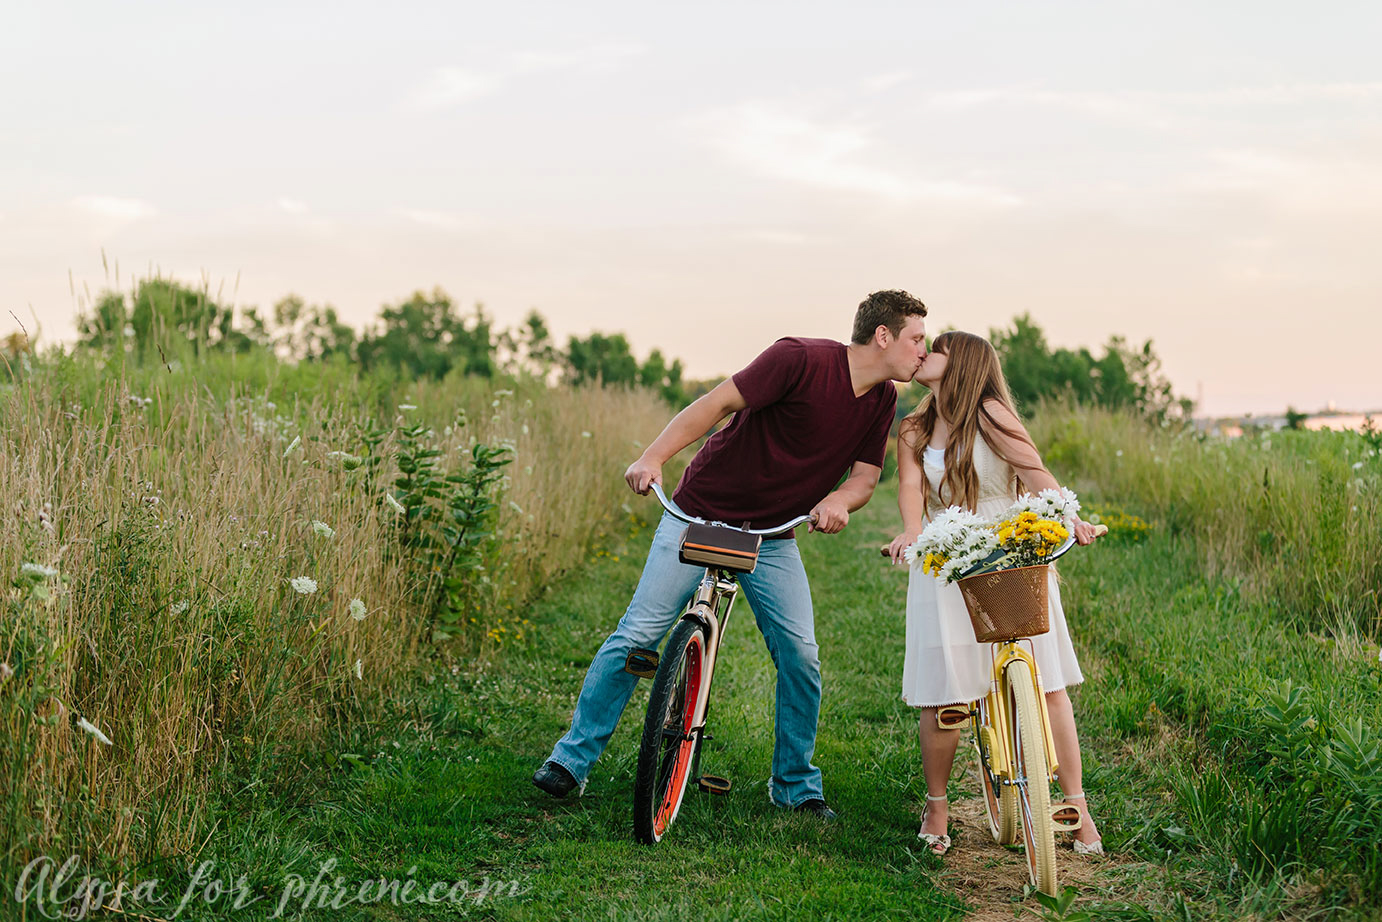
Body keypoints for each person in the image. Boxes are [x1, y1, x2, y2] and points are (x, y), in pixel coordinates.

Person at [533, 290, 931, 819]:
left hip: (772, 536)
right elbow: (717, 404)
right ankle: (571, 761)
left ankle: (795, 786)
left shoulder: (882, 400)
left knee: (801, 656)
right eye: (916, 339)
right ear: (883, 336)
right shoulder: (799, 358)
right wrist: (653, 458)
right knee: (639, 632)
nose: (922, 352)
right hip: (699, 514)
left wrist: (838, 500)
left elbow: (864, 478)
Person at [884, 330, 1105, 856]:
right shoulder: (914, 428)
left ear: (958, 362)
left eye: (934, 349)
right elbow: (910, 487)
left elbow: (1034, 471)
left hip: (1008, 549)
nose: (923, 355)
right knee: (945, 693)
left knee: (1048, 684)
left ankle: (1076, 807)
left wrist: (1070, 518)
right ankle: (937, 807)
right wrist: (913, 530)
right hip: (947, 554)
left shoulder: (993, 415)